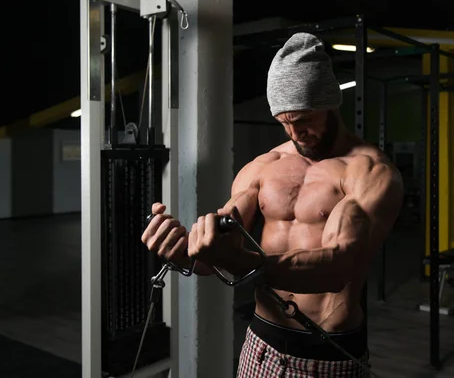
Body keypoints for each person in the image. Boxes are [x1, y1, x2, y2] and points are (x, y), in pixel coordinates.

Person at [141, 32, 404, 377]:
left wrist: (245, 263)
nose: (295, 134)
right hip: (260, 343)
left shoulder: (369, 172)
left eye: (303, 120)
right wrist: (182, 250)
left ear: (329, 103)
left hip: (327, 350)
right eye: (284, 122)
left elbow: (342, 268)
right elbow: (216, 257)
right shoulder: (263, 167)